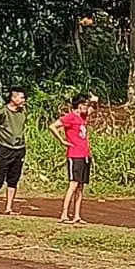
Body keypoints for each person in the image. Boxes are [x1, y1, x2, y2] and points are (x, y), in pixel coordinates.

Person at [51, 93, 93, 224]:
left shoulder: (83, 117)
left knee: (80, 186)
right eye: (85, 105)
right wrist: (62, 141)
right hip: (74, 155)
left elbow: (93, 109)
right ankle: (64, 213)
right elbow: (53, 126)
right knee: (73, 184)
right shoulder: (70, 117)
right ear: (79, 106)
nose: (87, 108)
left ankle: (77, 215)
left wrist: (93, 101)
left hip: (85, 155)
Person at [0, 87, 28, 215]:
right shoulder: (2, 112)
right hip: (4, 148)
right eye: (20, 97)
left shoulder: (23, 111)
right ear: (13, 98)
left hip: (19, 148)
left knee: (13, 178)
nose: (23, 100)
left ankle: (8, 207)